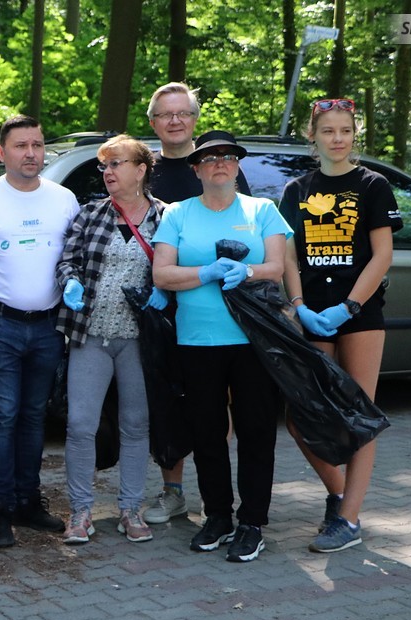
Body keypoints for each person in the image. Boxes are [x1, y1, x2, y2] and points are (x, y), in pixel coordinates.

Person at [152, 130, 291, 563]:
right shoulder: (178, 214)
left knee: (256, 432)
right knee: (207, 433)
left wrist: (246, 272)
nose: (220, 163)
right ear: (196, 169)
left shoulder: (261, 210)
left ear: (237, 166)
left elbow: (276, 267)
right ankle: (217, 516)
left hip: (253, 339)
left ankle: (252, 522)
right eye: (210, 158)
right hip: (197, 339)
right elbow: (162, 275)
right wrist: (206, 272)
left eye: (228, 157)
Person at [280, 98, 397, 553]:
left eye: (345, 130)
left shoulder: (373, 185)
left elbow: (383, 255)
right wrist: (298, 305)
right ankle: (340, 494)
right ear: (313, 136)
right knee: (302, 418)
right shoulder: (297, 189)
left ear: (354, 134)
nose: (338, 139)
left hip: (360, 315)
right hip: (313, 314)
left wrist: (349, 307)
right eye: (328, 131)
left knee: (360, 416)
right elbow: (289, 254)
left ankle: (347, 520)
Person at [142, 82, 254, 526]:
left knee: (215, 403)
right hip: (159, 303)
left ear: (194, 119)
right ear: (153, 123)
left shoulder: (218, 163)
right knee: (168, 399)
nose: (175, 121)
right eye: (165, 114)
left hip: (217, 309)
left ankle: (215, 492)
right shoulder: (144, 168)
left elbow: (247, 231)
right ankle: (173, 491)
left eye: (183, 113)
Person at [0, 115, 78, 548]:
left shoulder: (63, 199)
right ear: (2, 153)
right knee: (3, 416)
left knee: (35, 416)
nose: (31, 153)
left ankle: (28, 502)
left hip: (49, 325)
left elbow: (75, 258)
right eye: (20, 146)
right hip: (0, 325)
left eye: (37, 145)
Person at [55, 135, 168, 545]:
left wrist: (164, 291)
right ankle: (80, 512)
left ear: (141, 170)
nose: (107, 172)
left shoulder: (165, 217)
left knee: (136, 425)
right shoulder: (90, 215)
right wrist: (70, 282)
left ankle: (130, 509)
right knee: (80, 425)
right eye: (104, 165)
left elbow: (177, 266)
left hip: (138, 340)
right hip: (91, 335)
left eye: (116, 163)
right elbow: (67, 260)